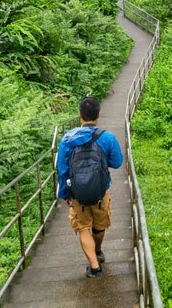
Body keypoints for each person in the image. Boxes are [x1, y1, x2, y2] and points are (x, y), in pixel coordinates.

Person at [56, 97, 123, 278]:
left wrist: (64, 194)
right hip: (101, 192)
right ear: (98, 115)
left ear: (80, 115)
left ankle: (94, 267)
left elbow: (62, 170)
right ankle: (98, 251)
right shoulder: (107, 137)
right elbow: (117, 162)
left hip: (77, 195)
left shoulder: (67, 140)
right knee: (99, 227)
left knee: (83, 227)